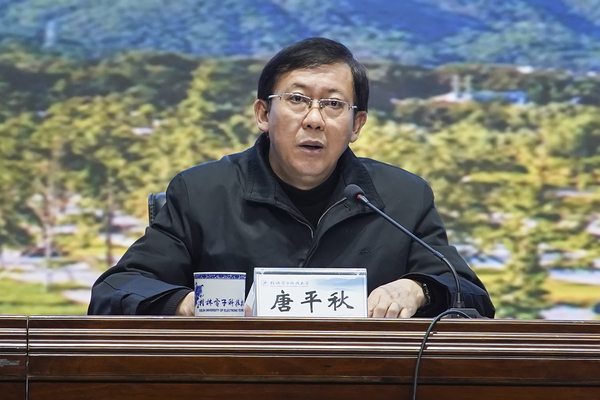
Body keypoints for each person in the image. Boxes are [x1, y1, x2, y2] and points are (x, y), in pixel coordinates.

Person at [88, 37, 495, 318]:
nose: (314, 119)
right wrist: (188, 305)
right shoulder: (202, 192)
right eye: (297, 100)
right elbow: (116, 290)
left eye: (333, 104)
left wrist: (418, 290)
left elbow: (474, 298)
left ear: (357, 125)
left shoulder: (403, 198)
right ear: (264, 114)